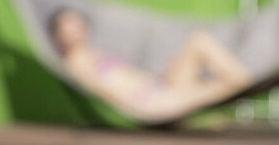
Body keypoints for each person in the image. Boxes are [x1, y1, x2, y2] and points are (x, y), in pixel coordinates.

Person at [50, 9, 253, 122]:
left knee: (198, 41)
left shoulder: (92, 53)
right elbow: (102, 93)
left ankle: (245, 81)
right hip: (153, 102)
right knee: (229, 81)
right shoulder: (74, 62)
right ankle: (249, 80)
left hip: (159, 88)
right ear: (59, 34)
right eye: (67, 27)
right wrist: (136, 109)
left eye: (76, 24)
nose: (73, 30)